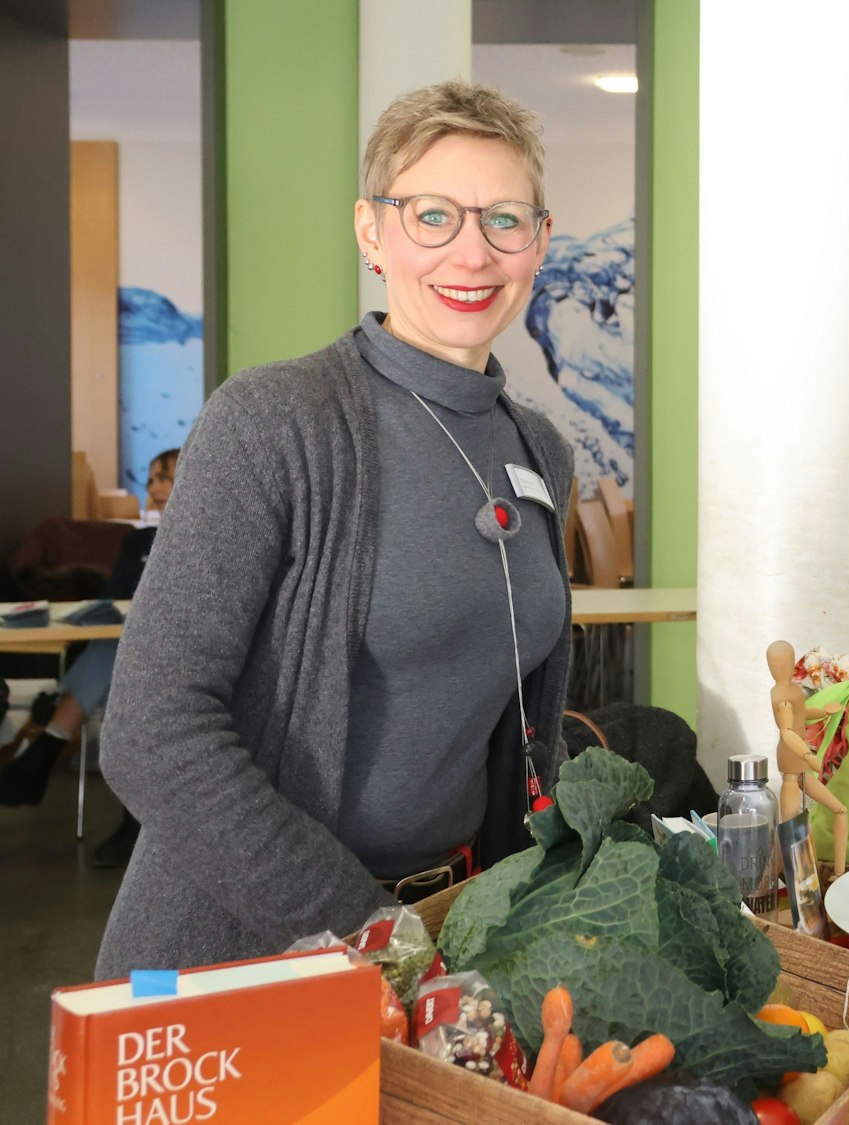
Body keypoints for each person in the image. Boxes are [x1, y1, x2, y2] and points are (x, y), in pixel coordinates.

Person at [96, 80, 574, 977]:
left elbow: (508, 713)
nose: (471, 252)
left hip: (451, 930)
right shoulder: (276, 421)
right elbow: (152, 730)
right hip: (248, 943)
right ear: (371, 231)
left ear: (539, 241)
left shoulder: (541, 448)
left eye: (505, 219)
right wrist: (363, 927)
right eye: (432, 215)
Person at [0, 449, 178, 873]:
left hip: (178, 654)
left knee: (115, 652)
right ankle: (134, 821)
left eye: (163, 478)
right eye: (151, 479)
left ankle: (48, 745)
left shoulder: (207, 539)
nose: (153, 487)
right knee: (113, 650)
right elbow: (110, 602)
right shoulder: (136, 542)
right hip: (132, 654)